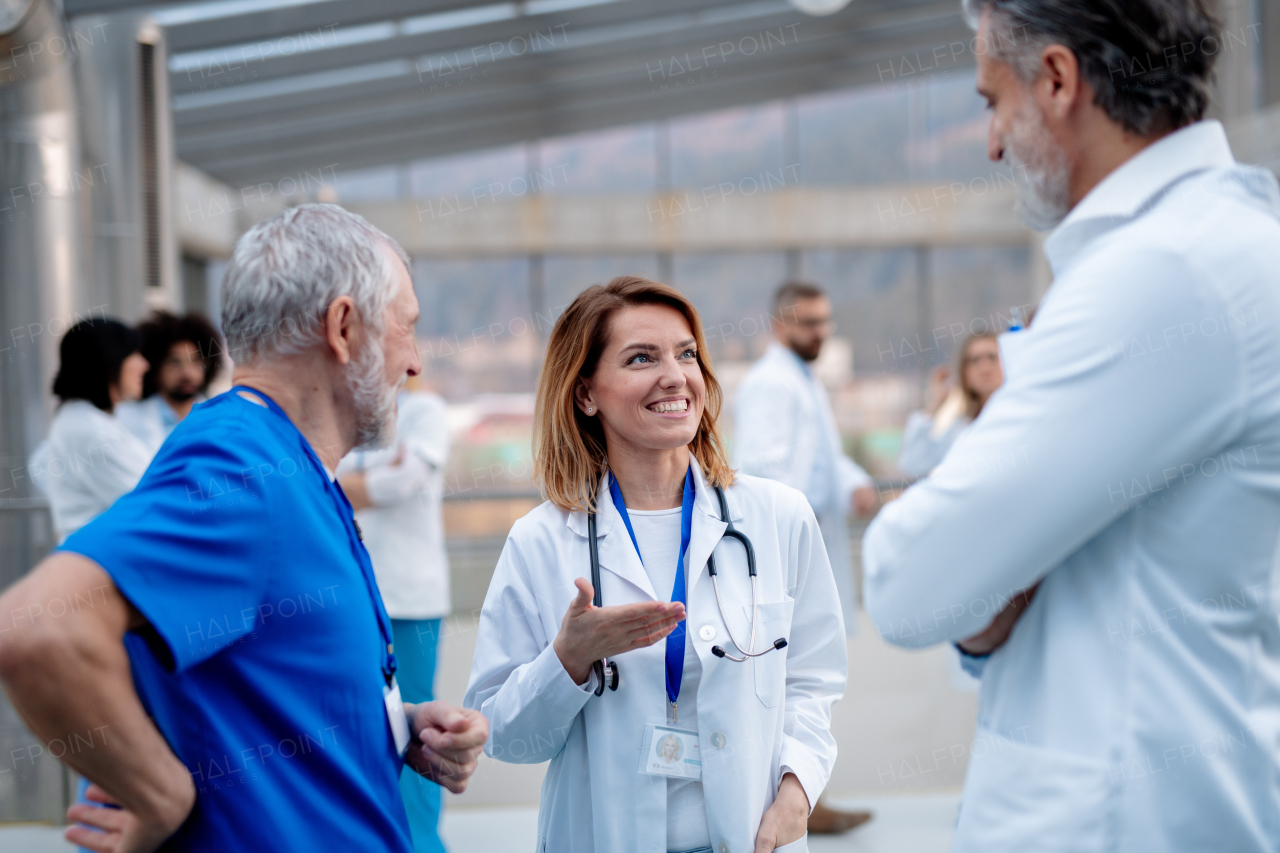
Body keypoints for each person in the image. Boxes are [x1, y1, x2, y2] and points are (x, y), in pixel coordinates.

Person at [863, 2, 1280, 851]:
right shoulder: (1211, 245)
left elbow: (906, 582)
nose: (989, 143)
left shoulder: (1166, 272)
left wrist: (977, 580)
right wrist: (982, 599)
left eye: (991, 101)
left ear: (1057, 80)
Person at [0, 204, 488, 853]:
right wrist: (158, 791)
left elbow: (259, 684)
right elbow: (36, 626)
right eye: (408, 328)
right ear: (344, 326)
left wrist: (392, 726)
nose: (416, 361)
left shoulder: (287, 465)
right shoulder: (241, 467)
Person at [464, 276, 846, 853]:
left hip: (751, 838)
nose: (675, 375)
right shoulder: (539, 542)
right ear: (586, 393)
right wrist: (567, 660)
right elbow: (506, 736)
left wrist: (796, 793)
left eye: (686, 353)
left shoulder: (777, 517)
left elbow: (814, 681)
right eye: (642, 357)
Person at [732, 282, 874, 835]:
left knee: (808, 675)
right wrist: (800, 523)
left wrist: (856, 486)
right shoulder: (772, 383)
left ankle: (806, 791)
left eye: (824, 321)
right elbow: (765, 470)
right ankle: (794, 799)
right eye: (807, 322)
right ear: (778, 324)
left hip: (807, 547)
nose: (819, 332)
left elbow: (829, 460)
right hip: (781, 555)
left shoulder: (802, 380)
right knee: (790, 678)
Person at [337, 374, 452, 853]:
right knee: (360, 721)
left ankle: (422, 843)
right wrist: (369, 480)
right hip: (355, 595)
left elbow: (402, 483)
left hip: (410, 597)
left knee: (415, 727)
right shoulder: (352, 411)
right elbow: (317, 483)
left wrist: (346, 484)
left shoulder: (424, 410)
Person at [29, 319, 153, 543]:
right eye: (133, 353)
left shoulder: (77, 419)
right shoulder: (93, 433)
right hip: (106, 564)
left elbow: (38, 464)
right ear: (109, 360)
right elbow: (152, 503)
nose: (144, 365)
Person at [896, 332, 1003, 478]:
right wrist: (934, 404)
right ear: (964, 372)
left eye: (992, 357)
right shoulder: (961, 429)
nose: (984, 367)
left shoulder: (1022, 414)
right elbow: (912, 464)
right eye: (975, 360)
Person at [116, 311, 223, 454]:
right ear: (155, 368)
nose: (187, 373)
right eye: (174, 362)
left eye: (196, 361)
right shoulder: (125, 419)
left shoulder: (219, 419)